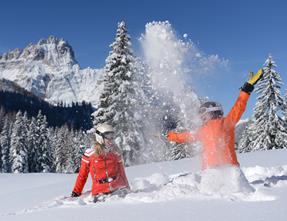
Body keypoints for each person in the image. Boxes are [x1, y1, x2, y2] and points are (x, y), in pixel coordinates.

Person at [167, 69, 264, 170]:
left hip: (211, 171)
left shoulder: (206, 129)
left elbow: (184, 136)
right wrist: (245, 90)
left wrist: (170, 136)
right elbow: (239, 107)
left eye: (202, 115)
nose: (201, 118)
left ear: (208, 113)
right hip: (230, 169)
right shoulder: (226, 123)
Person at [71, 123, 130, 202]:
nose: (111, 140)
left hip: (118, 189)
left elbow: (121, 172)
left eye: (112, 137)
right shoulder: (90, 155)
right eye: (108, 137)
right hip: (99, 193)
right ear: (100, 137)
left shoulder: (116, 152)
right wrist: (76, 192)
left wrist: (126, 187)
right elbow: (82, 175)